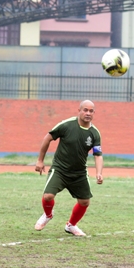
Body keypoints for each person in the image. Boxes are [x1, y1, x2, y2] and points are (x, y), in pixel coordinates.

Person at [34, 100, 104, 237]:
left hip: (79, 173)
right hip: (60, 169)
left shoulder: (94, 133)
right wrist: (40, 160)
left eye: (91, 111)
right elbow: (48, 138)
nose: (88, 113)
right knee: (48, 196)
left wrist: (99, 173)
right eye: (85, 110)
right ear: (79, 110)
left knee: (85, 201)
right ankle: (48, 215)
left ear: (94, 113)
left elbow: (98, 155)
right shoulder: (66, 125)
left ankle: (71, 225)